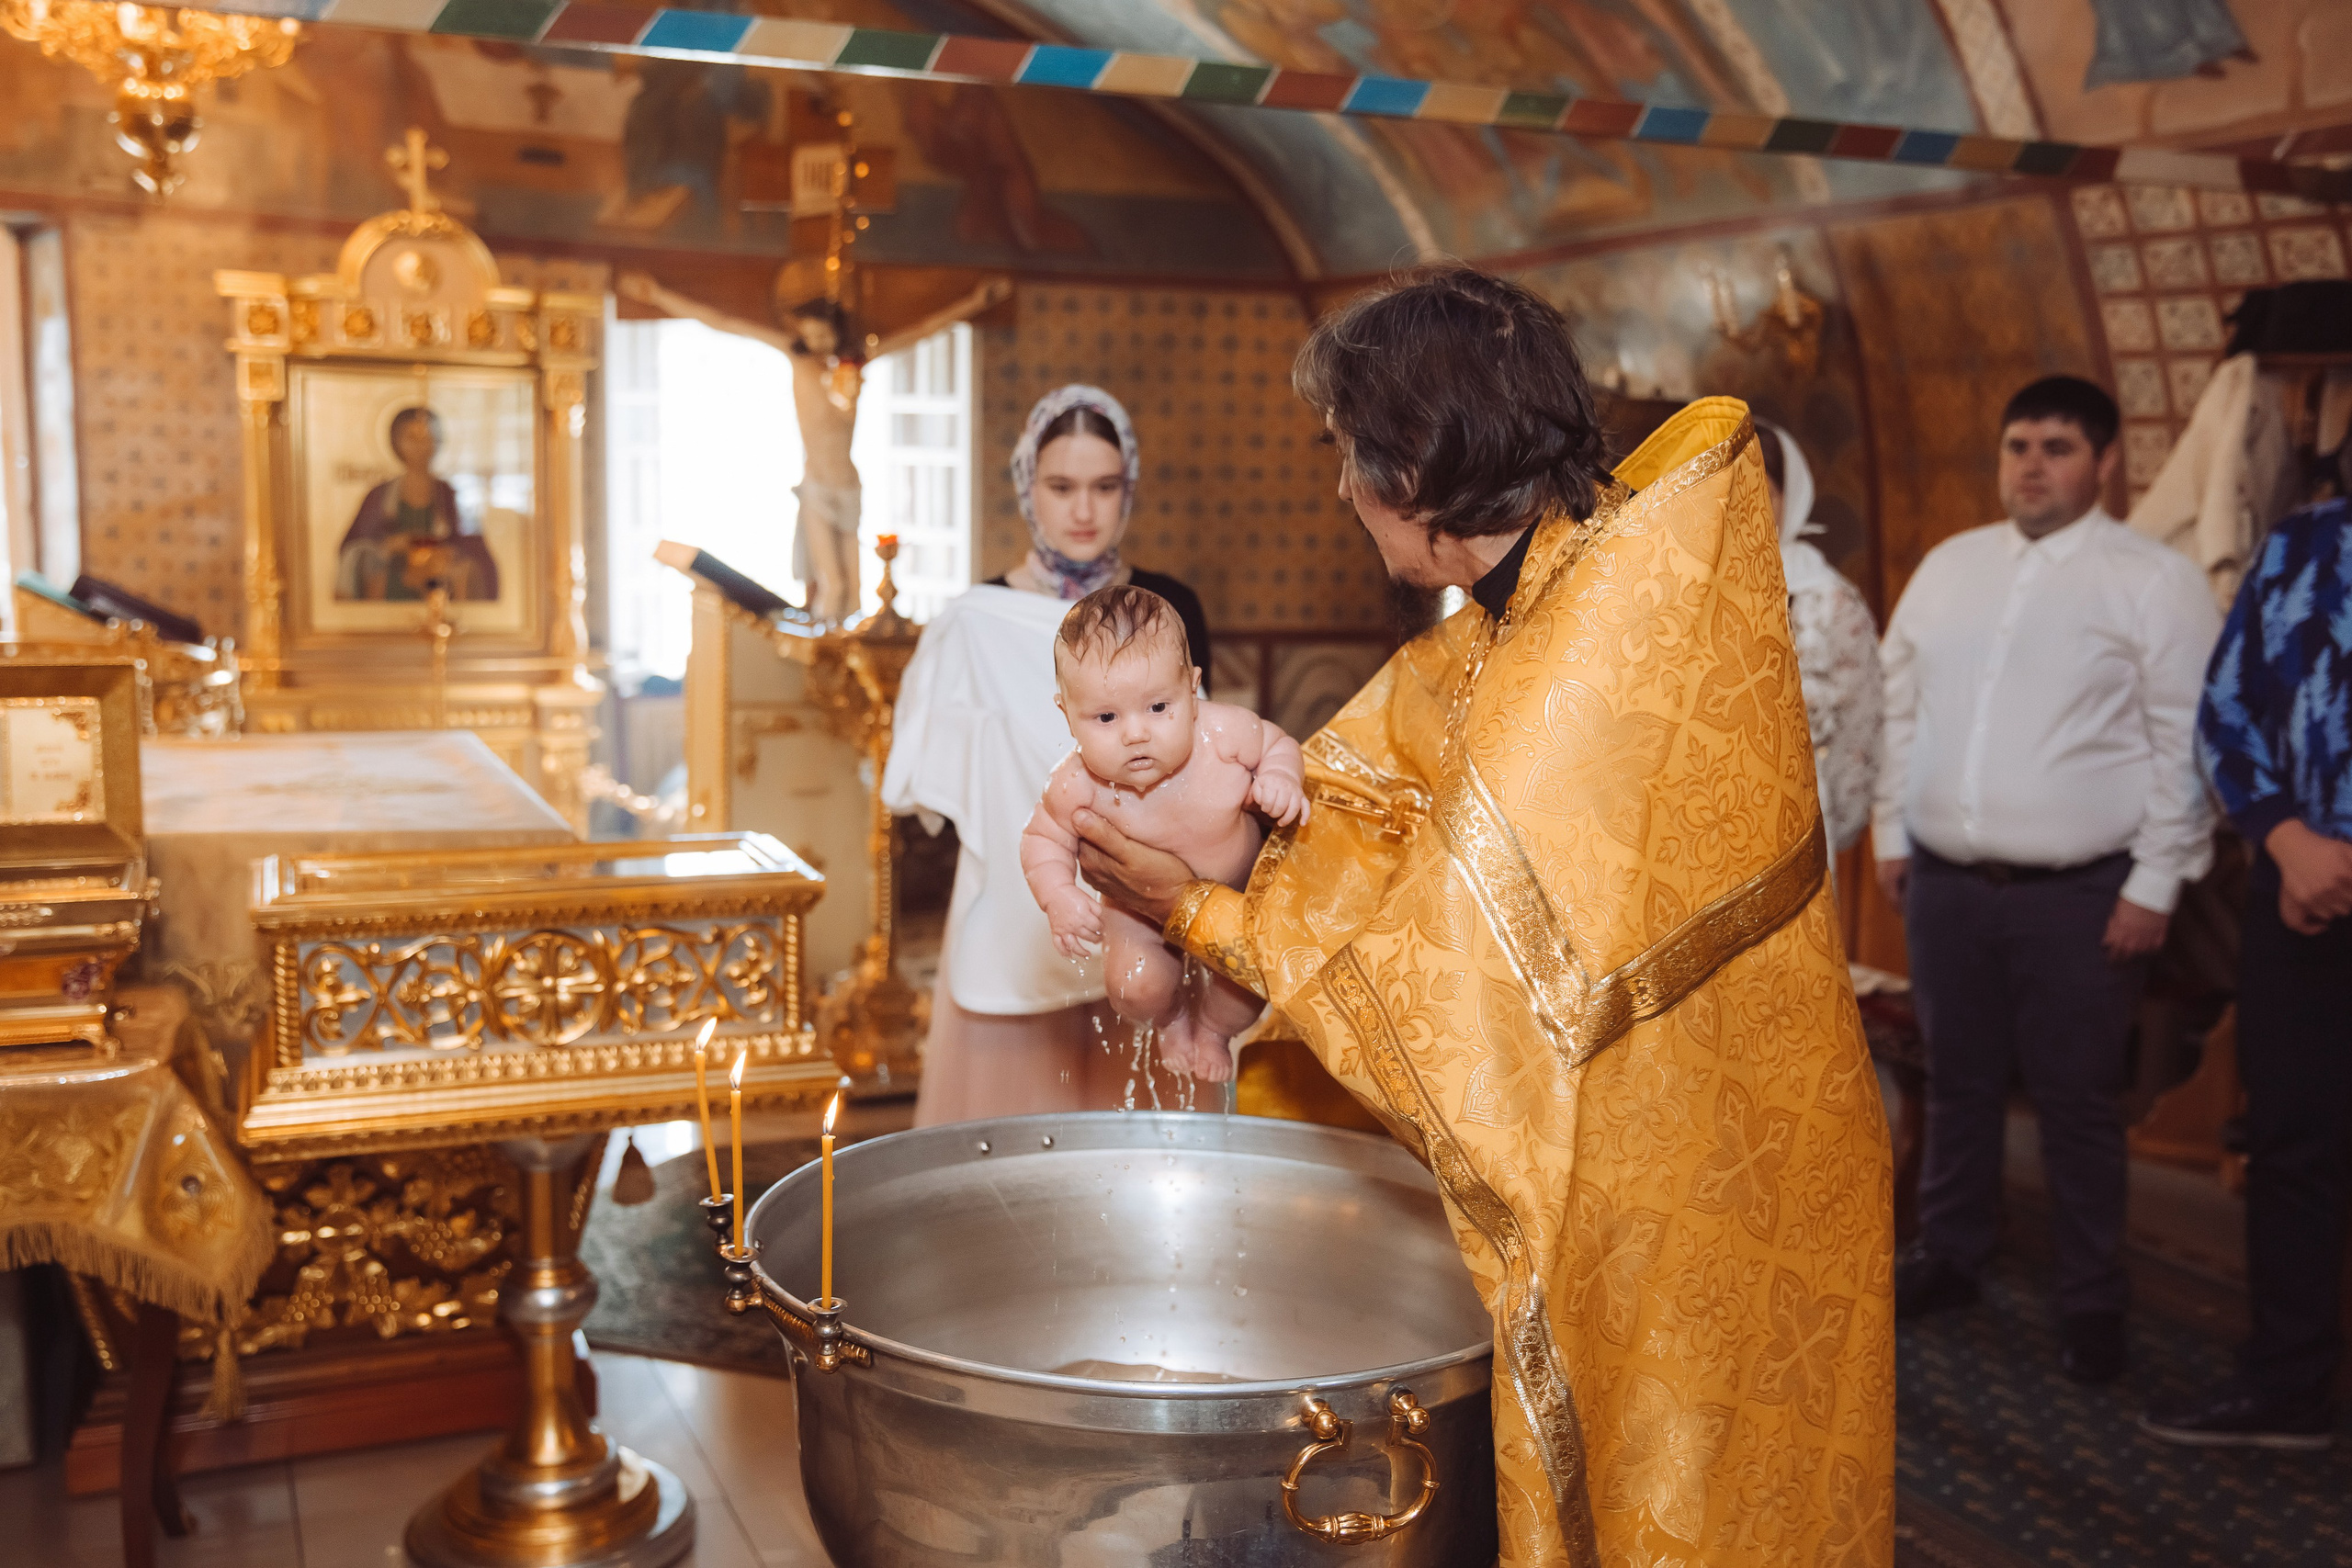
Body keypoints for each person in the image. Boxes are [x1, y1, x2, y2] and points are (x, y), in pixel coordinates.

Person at [1071, 268, 1893, 1566]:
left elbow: (1450, 1001)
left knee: (1683, 1505)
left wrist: (1198, 912)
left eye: (1347, 455)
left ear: (1411, 472)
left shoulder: (1587, 660)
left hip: (1683, 1181)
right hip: (1684, 1143)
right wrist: (1209, 820)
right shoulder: (1556, 596)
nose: (1340, 491)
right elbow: (1382, 796)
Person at [1873, 376, 2220, 1384]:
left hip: (2081, 897)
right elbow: (1901, 710)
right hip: (1944, 883)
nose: (2031, 465)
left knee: (2076, 1103)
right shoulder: (1951, 565)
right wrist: (1892, 831)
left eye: (2057, 447)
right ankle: (1952, 1253)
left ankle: (2090, 1300)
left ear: (2105, 462)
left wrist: (2156, 883)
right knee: (1958, 1081)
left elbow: (2186, 744)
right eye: (2017, 446)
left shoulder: (2153, 580)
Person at [879, 385, 1213, 1126]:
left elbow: (1201, 755)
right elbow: (922, 785)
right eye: (1062, 487)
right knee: (1017, 1147)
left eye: (1105, 486)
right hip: (1017, 909)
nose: (1084, 509)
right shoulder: (976, 617)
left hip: (1143, 898)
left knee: (1140, 1140)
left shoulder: (1169, 607)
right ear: (1028, 487)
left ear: (1129, 488)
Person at [2143, 464, 2352, 1450]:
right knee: (2290, 1143)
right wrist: (2284, 837)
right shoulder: (2299, 544)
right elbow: (2224, 710)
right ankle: (2287, 1382)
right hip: (2297, 889)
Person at [1022, 586, 1306, 1081]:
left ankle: (1213, 1031)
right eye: (1106, 717)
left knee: (1245, 988)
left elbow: (1278, 744)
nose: (1135, 733)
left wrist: (1280, 777)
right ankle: (1170, 1019)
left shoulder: (1223, 734)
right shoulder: (1075, 784)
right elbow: (1041, 840)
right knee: (1134, 987)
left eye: (1157, 708)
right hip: (1136, 912)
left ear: (1192, 691)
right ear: (1067, 714)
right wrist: (1058, 896)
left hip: (1240, 898)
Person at [614, 269, 1007, 624]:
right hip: (816, 486)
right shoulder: (797, 359)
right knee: (832, 584)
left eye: (824, 336)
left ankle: (851, 656)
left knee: (854, 589)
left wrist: (976, 302)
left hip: (848, 486)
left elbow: (922, 330)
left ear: (837, 332)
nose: (817, 344)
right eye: (810, 336)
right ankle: (824, 652)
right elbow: (724, 323)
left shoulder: (855, 365)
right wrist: (658, 294)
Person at [1759, 422, 1880, 862]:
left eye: (1761, 495)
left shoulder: (1827, 601)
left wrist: (1837, 820)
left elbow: (1858, 728)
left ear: (1789, 499)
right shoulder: (1682, 592)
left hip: (1798, 825)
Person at [336, 407, 499, 603]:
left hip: (438, 582)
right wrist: (388, 546)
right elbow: (352, 548)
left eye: (428, 438)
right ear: (397, 442)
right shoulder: (380, 495)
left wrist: (449, 552)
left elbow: (473, 548)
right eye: (412, 438)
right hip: (390, 582)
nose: (421, 447)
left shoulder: (448, 494)